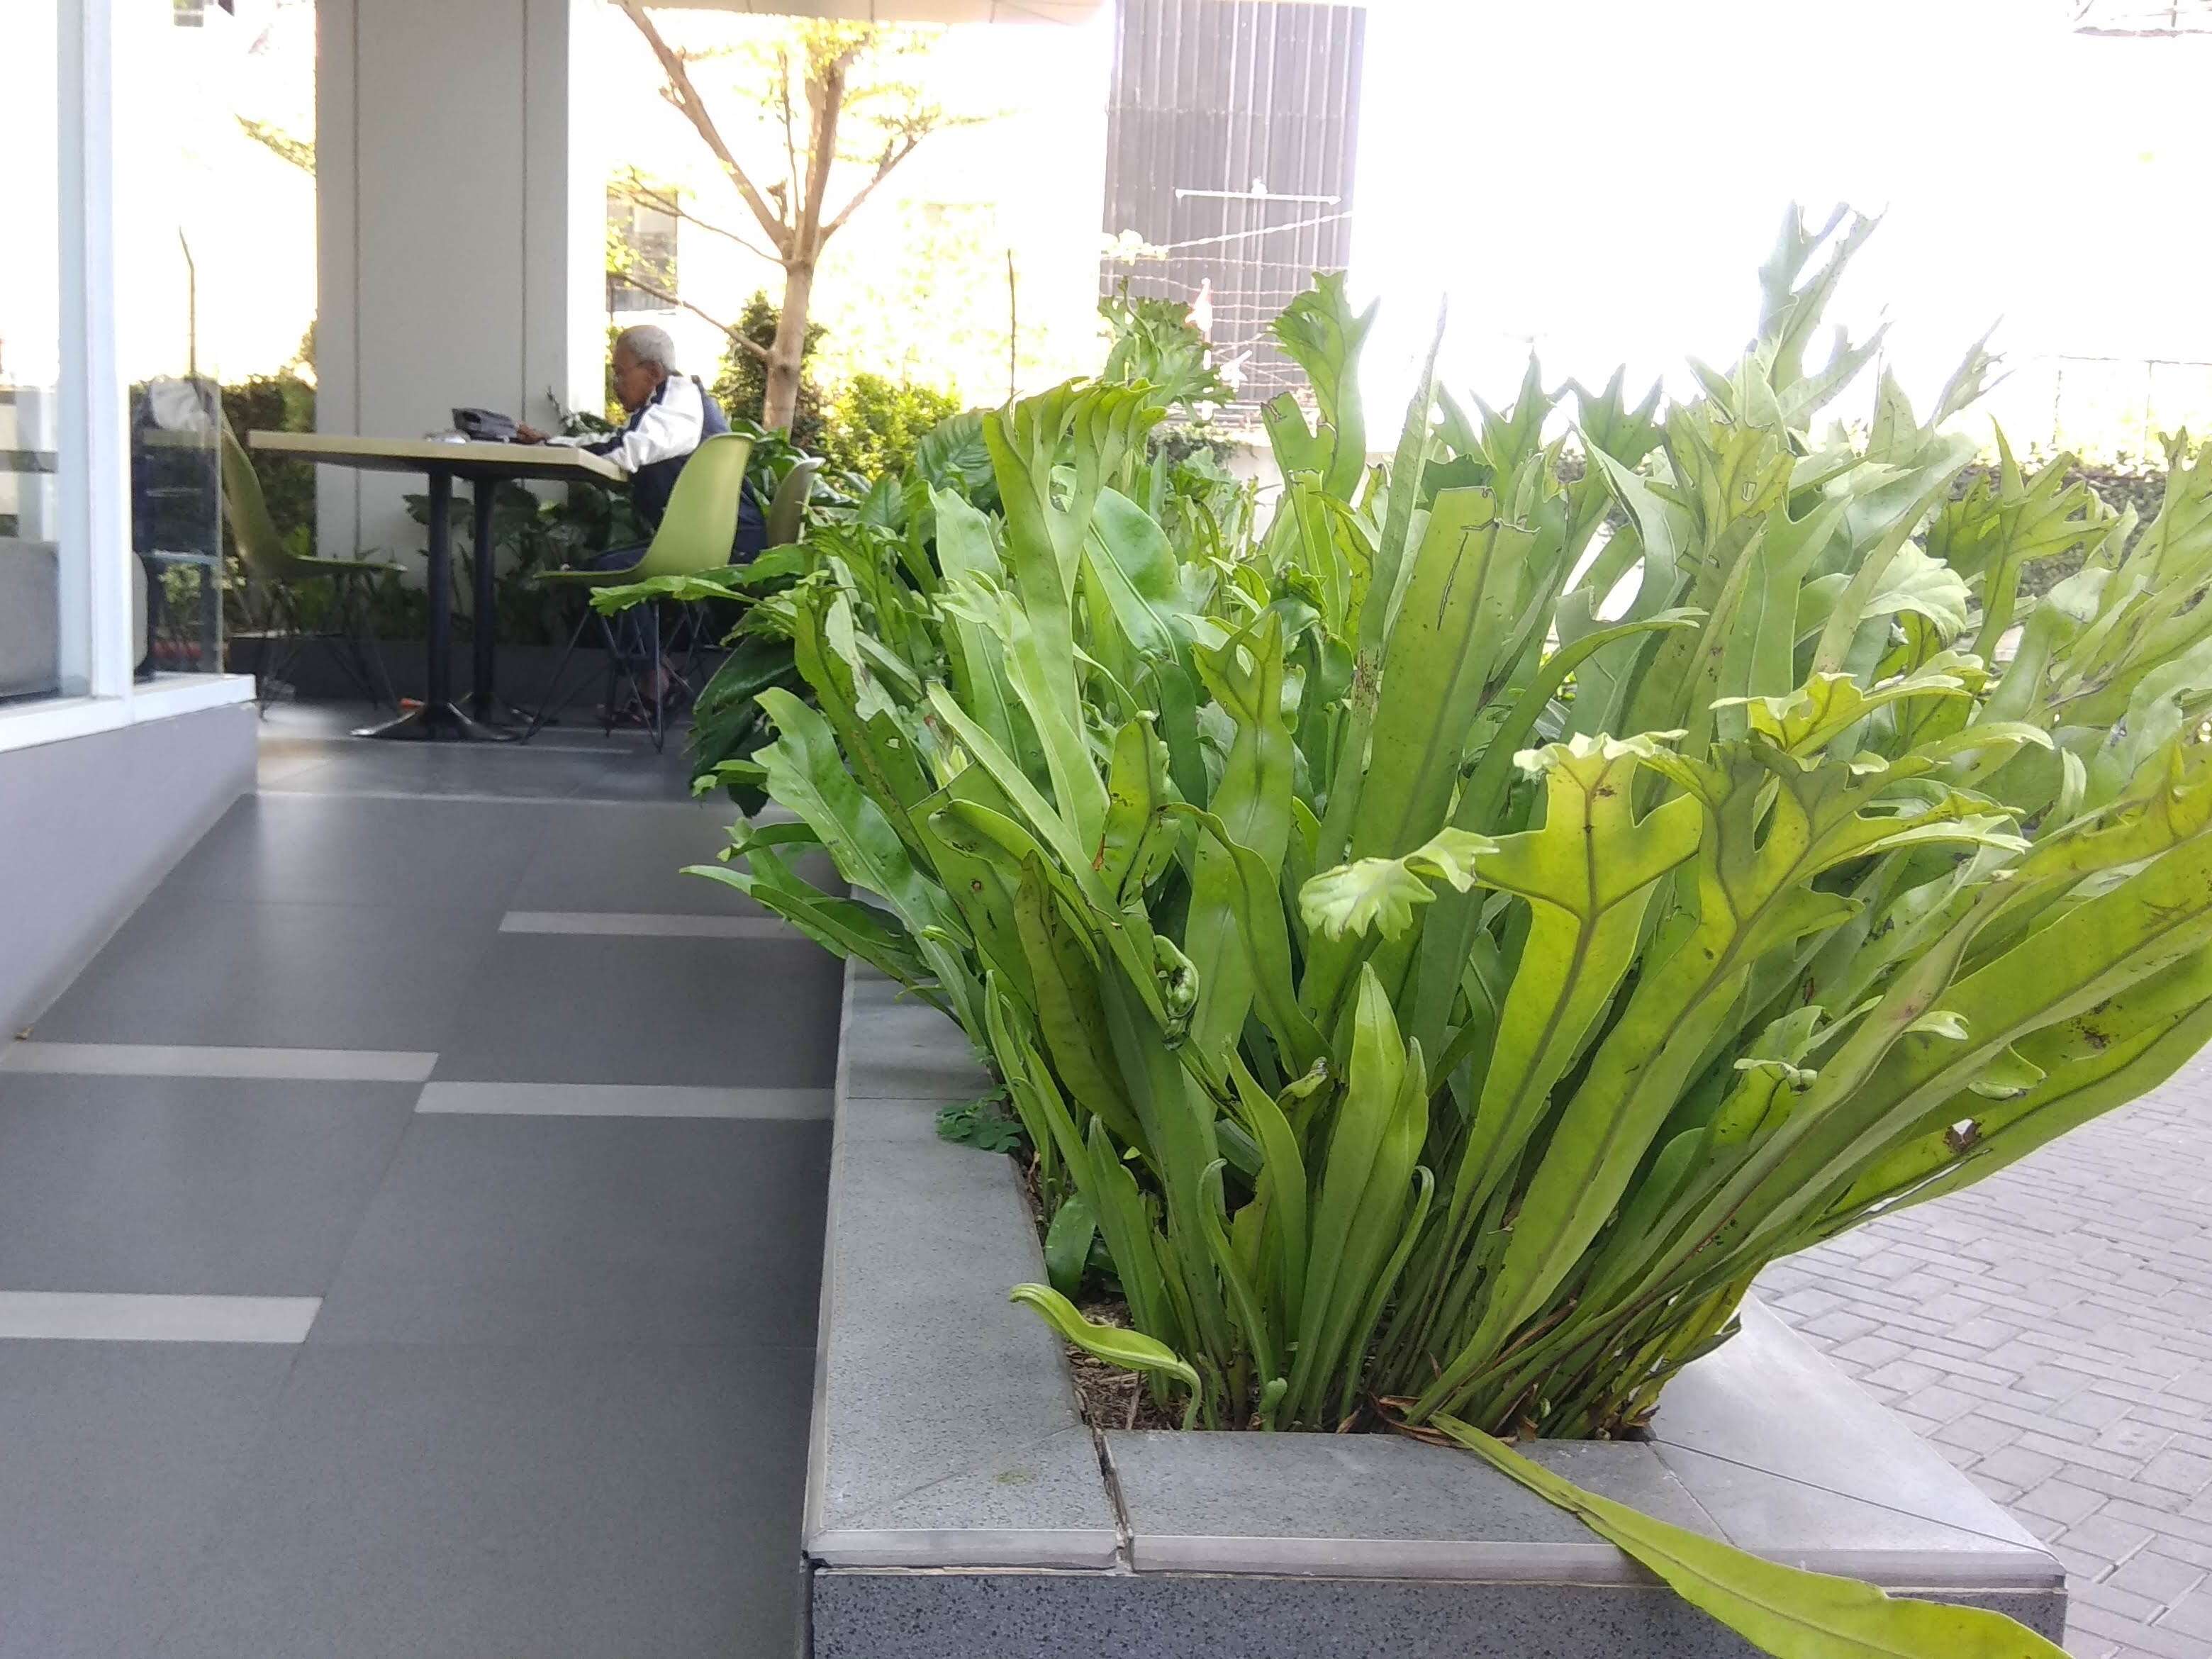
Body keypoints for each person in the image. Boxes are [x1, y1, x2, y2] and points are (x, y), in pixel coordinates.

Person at [515, 323, 764, 717]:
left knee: (610, 574)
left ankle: (656, 686)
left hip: (723, 546)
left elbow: (626, 452)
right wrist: (552, 444)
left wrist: (561, 448)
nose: (615, 383)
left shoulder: (678, 405)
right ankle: (661, 679)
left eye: (620, 372)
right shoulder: (671, 404)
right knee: (609, 568)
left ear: (651, 373)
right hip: (726, 539)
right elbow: (621, 440)